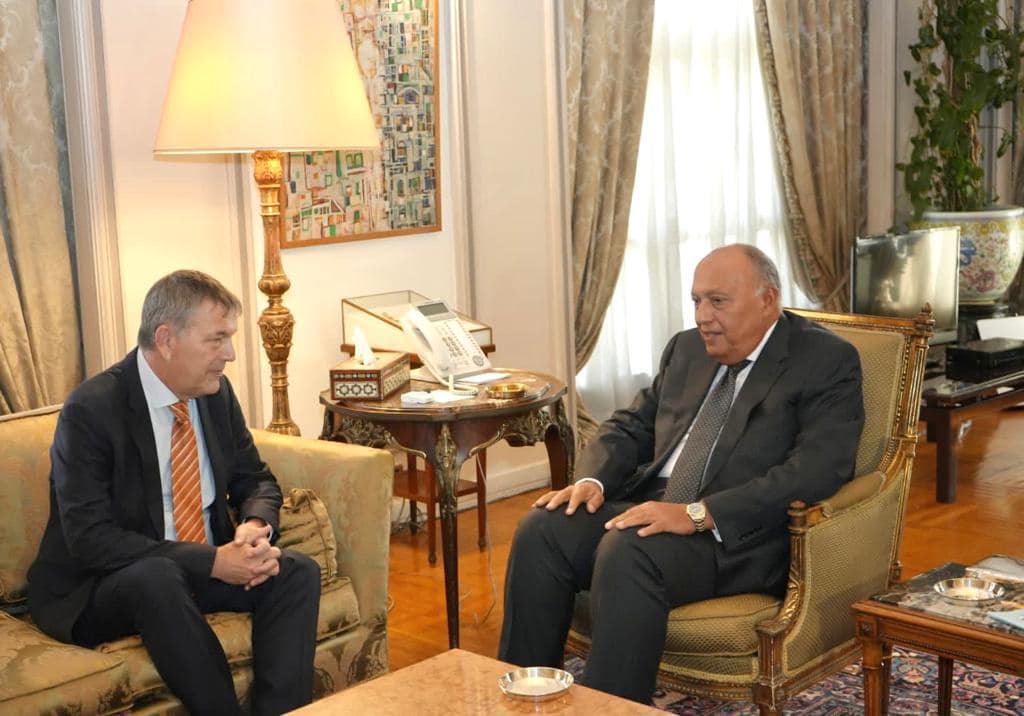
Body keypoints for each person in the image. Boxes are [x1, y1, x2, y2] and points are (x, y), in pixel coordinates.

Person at [498, 245, 865, 703]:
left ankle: (614, 709)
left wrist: (698, 513)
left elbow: (818, 470)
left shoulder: (824, 359)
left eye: (718, 301)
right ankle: (523, 698)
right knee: (543, 528)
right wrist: (592, 481)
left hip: (737, 534)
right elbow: (631, 426)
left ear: (768, 299)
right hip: (655, 506)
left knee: (629, 549)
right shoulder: (688, 348)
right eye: (696, 300)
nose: (703, 316)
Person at [28, 270, 321, 715]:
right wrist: (214, 562)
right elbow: (90, 539)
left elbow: (254, 478)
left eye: (229, 338)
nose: (229, 354)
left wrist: (255, 525)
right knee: (156, 576)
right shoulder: (92, 408)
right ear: (166, 339)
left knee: (296, 572)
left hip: (194, 568)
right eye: (217, 339)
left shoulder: (214, 394)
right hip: (100, 587)